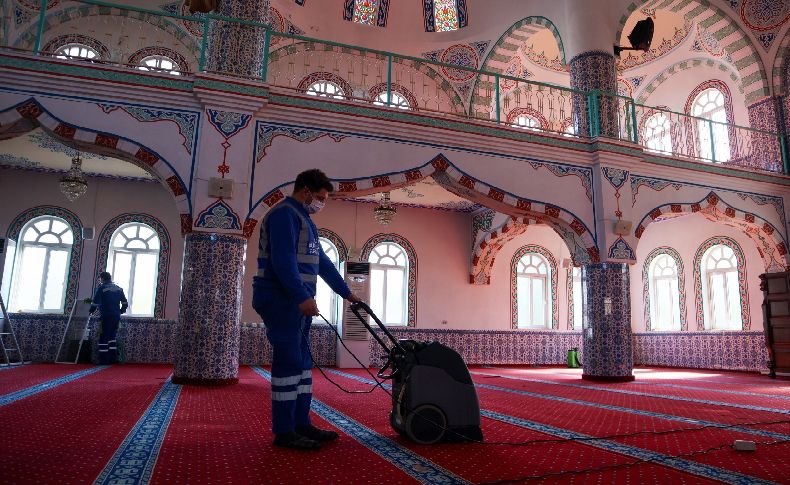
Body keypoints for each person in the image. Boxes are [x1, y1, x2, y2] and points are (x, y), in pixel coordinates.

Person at [253, 169, 361, 450]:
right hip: (281, 299)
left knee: (301, 365)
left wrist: (348, 293)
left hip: (297, 302)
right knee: (289, 363)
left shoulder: (305, 220)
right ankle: (285, 431)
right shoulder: (283, 215)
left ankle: (301, 423)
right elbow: (283, 261)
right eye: (321, 197)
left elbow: (322, 262)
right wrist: (301, 296)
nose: (321, 203)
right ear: (305, 191)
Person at [89, 271, 128, 365]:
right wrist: (121, 311)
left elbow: (95, 302)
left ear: (102, 278)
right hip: (116, 316)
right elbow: (125, 303)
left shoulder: (102, 288)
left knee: (103, 336)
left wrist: (90, 311)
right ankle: (113, 358)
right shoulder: (119, 288)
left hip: (106, 315)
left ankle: (103, 360)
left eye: (100, 279)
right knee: (112, 337)